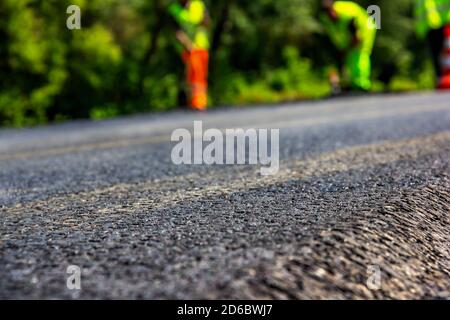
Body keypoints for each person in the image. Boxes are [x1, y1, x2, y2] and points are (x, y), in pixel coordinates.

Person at [320, 0, 377, 92]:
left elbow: (357, 37)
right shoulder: (326, 19)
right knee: (350, 56)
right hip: (349, 36)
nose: (330, 14)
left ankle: (362, 85)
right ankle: (353, 83)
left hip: (365, 28)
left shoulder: (347, 14)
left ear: (334, 8)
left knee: (360, 54)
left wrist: (348, 48)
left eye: (330, 11)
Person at [168, 0, 210, 110]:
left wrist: (203, 21)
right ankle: (195, 102)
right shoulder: (174, 9)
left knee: (200, 75)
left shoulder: (198, 4)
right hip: (188, 49)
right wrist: (187, 44)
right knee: (193, 75)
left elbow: (207, 22)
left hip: (201, 46)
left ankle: (200, 101)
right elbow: (176, 30)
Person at [415, 0, 450, 88]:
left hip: (445, 23)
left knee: (445, 53)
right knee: (436, 55)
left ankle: (444, 79)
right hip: (429, 26)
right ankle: (441, 80)